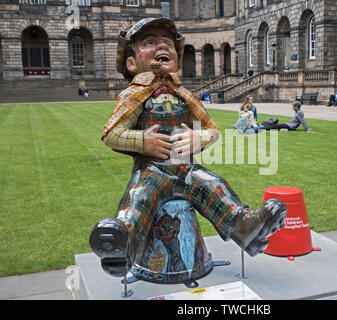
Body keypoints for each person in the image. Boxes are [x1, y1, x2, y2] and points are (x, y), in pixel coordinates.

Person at [89, 17, 287, 277]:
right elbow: (112, 133)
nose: (162, 47)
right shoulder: (132, 95)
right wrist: (142, 142)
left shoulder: (185, 94)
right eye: (150, 42)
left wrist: (198, 139)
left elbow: (213, 130)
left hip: (186, 169)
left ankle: (244, 226)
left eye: (168, 43)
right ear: (132, 62)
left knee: (214, 185)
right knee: (139, 197)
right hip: (152, 170)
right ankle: (124, 242)